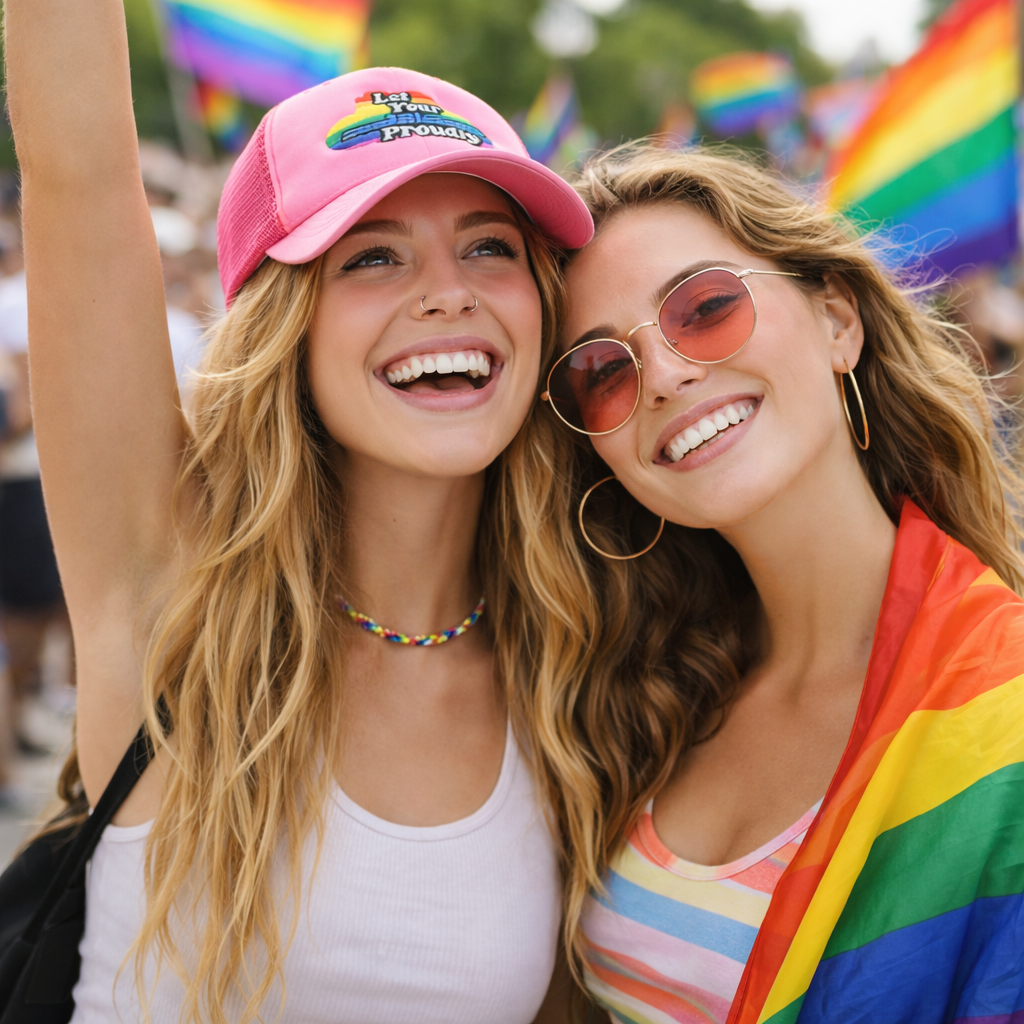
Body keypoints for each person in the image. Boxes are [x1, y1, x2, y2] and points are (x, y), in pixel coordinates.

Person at [6, 0, 594, 1019]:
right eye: (372, 256)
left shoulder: (588, 665)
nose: (448, 292)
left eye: (490, 247)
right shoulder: (174, 596)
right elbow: (79, 167)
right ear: (287, 326)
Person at [527, 144, 1024, 1023]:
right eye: (602, 372)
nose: (665, 376)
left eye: (705, 308)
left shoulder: (1005, 707)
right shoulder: (631, 697)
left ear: (837, 320)